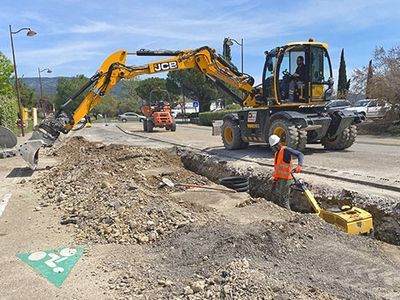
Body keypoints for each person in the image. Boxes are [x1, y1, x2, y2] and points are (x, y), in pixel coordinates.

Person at [269, 134, 304, 210]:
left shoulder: (286, 150)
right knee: (280, 197)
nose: (275, 147)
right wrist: (275, 179)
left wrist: (299, 166)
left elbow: (300, 154)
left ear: (278, 143)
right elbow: (278, 168)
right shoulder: (276, 154)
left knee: (284, 199)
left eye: (276, 145)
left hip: (287, 179)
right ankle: (282, 212)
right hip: (280, 178)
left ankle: (288, 215)